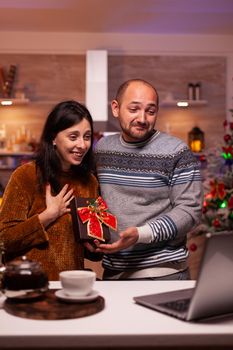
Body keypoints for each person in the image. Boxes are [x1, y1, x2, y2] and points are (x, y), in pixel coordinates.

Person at [94, 79, 203, 280]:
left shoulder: (176, 151)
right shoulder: (102, 148)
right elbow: (94, 199)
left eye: (150, 111)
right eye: (134, 109)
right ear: (116, 108)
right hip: (114, 272)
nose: (142, 118)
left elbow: (190, 211)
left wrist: (142, 234)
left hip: (163, 273)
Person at [0, 100, 100, 280]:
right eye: (73, 137)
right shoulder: (26, 176)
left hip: (71, 286)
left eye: (87, 136)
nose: (82, 145)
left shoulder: (89, 182)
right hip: (29, 286)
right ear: (53, 137)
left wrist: (95, 245)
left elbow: (87, 249)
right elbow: (3, 240)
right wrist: (48, 215)